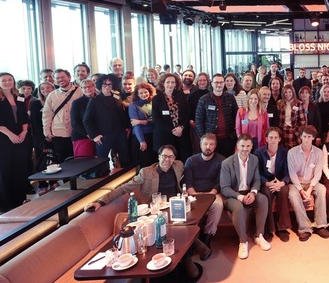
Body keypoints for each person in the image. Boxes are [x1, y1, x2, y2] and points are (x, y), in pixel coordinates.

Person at [85, 145, 210, 277]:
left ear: (174, 158)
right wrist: (101, 201)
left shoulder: (178, 165)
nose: (166, 160)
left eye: (170, 156)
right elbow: (124, 188)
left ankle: (188, 255)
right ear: (159, 156)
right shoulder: (146, 173)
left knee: (186, 221)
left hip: (175, 205)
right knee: (176, 227)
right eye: (164, 156)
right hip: (155, 209)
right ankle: (189, 257)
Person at [0, 73, 31, 212]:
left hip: (19, 139)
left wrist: (24, 132)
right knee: (3, 173)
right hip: (0, 141)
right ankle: (6, 207)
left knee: (19, 171)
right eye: (3, 80)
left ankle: (20, 201)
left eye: (10, 80)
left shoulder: (20, 97)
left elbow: (24, 117)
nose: (7, 82)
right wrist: (11, 135)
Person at [220, 134, 271, 259]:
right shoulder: (226, 163)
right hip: (233, 196)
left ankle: (259, 235)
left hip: (248, 192)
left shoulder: (254, 159)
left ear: (252, 146)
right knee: (238, 207)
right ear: (237, 146)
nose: (245, 149)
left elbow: (257, 180)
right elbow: (225, 188)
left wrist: (253, 192)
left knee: (263, 199)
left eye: (248, 146)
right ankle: (243, 241)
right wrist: (240, 197)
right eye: (242, 146)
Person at [183, 133, 226, 256]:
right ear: (200, 145)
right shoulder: (191, 160)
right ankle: (191, 240)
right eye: (205, 144)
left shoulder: (221, 160)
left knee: (218, 206)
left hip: (212, 193)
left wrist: (210, 194)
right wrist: (196, 195)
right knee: (188, 208)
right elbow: (188, 181)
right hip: (194, 193)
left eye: (211, 144)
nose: (208, 147)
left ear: (215, 146)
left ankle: (207, 237)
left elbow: (219, 182)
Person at [287, 125, 329, 241]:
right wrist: (301, 191)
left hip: (312, 182)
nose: (306, 139)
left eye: (309, 137)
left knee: (322, 189)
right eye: (304, 136)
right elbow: (292, 174)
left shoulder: (319, 153)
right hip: (296, 184)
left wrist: (310, 189)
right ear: (300, 137)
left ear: (313, 138)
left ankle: (320, 225)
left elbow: (317, 174)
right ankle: (304, 228)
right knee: (292, 195)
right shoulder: (292, 153)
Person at [83, 74, 130, 169]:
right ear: (100, 85)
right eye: (105, 84)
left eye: (110, 84)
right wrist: (94, 135)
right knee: (102, 162)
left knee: (125, 159)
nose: (107, 86)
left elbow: (122, 113)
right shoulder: (94, 101)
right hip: (104, 135)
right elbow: (87, 120)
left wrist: (127, 126)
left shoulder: (117, 97)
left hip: (120, 133)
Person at [255, 127, 292, 242]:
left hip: (280, 181)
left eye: (276, 137)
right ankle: (269, 228)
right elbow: (257, 172)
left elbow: (288, 171)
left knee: (284, 191)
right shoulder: (259, 152)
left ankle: (282, 228)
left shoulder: (285, 152)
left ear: (280, 139)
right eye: (270, 137)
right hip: (266, 182)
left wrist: (282, 183)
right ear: (266, 139)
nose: (273, 140)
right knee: (266, 194)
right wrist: (266, 183)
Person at [42, 69, 82, 165]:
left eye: (63, 77)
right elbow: (47, 114)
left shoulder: (80, 91)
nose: (60, 79)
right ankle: (67, 180)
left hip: (77, 132)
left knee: (79, 159)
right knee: (63, 161)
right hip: (59, 132)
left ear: (69, 77)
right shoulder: (52, 95)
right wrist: (47, 131)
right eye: (57, 78)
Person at [195, 73, 239, 157]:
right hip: (211, 139)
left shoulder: (230, 97)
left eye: (221, 82)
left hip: (228, 138)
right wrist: (203, 137)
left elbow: (236, 116)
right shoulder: (204, 99)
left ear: (224, 83)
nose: (219, 85)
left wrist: (234, 134)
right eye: (216, 82)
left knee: (227, 162)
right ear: (212, 84)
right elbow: (199, 119)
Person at [153, 73, 192, 161]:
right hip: (164, 135)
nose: (170, 84)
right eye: (168, 82)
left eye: (172, 82)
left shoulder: (181, 96)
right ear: (163, 84)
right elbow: (156, 119)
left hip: (181, 134)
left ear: (175, 84)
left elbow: (187, 113)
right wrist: (172, 130)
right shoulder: (157, 99)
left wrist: (181, 127)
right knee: (167, 161)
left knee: (183, 159)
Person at [128, 82, 157, 168]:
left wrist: (142, 121)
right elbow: (135, 125)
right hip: (141, 136)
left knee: (154, 162)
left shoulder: (154, 103)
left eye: (146, 92)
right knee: (145, 163)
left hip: (154, 135)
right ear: (137, 94)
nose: (144, 94)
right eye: (141, 93)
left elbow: (157, 120)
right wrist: (142, 141)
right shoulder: (133, 105)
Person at [279, 84, 307, 149]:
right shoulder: (280, 103)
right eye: (285, 92)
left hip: (294, 132)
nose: (287, 94)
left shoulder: (298, 103)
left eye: (289, 92)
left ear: (293, 92)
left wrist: (295, 130)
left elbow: (303, 121)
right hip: (283, 132)